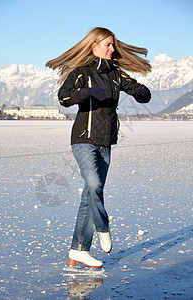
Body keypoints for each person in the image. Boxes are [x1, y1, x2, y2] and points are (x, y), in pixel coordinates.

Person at [46, 27, 151, 268]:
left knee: (89, 196)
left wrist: (140, 92)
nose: (113, 49)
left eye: (113, 45)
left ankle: (79, 250)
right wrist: (87, 92)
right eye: (108, 45)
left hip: (105, 142)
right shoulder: (81, 72)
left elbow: (143, 95)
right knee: (94, 186)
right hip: (83, 140)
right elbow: (64, 98)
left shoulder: (116, 74)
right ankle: (103, 227)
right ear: (94, 46)